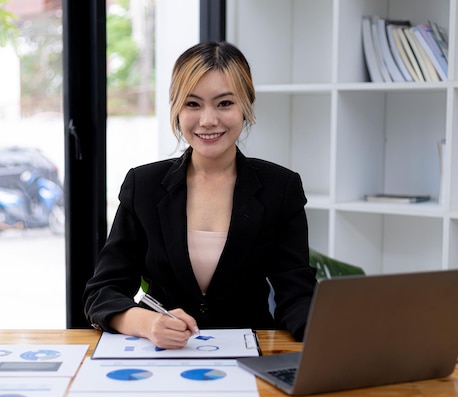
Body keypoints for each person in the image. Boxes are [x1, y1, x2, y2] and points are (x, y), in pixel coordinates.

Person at [83, 41, 317, 349]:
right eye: (193, 104)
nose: (208, 120)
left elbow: (297, 295)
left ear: (246, 105)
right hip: (162, 355)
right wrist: (148, 323)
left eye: (224, 104)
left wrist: (330, 338)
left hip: (250, 357)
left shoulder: (280, 187)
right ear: (176, 109)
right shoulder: (145, 185)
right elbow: (103, 291)